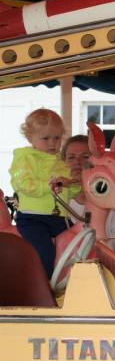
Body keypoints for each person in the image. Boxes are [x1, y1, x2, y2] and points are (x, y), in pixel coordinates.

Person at [9, 108, 78, 278]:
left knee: (76, 245)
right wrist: (51, 185)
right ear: (30, 138)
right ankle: (43, 285)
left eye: (56, 138)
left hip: (59, 218)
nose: (52, 144)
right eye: (45, 138)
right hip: (33, 219)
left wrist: (78, 183)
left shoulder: (60, 163)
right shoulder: (25, 159)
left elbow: (68, 194)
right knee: (44, 252)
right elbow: (23, 183)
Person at [62, 134, 115, 237]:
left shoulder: (114, 199)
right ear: (62, 163)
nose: (77, 162)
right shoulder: (58, 200)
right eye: (71, 157)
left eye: (85, 157)